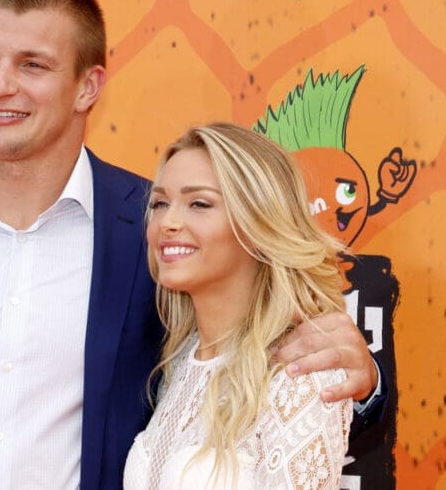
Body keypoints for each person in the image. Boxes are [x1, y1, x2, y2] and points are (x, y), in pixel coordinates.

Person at [0, 0, 384, 489]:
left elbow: (253, 357)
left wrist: (363, 385)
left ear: (87, 87)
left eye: (32, 65)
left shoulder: (155, 232)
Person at [124, 123, 355, 489]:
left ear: (258, 223)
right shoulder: (182, 359)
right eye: (160, 203)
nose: (167, 222)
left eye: (199, 203)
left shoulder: (300, 370)